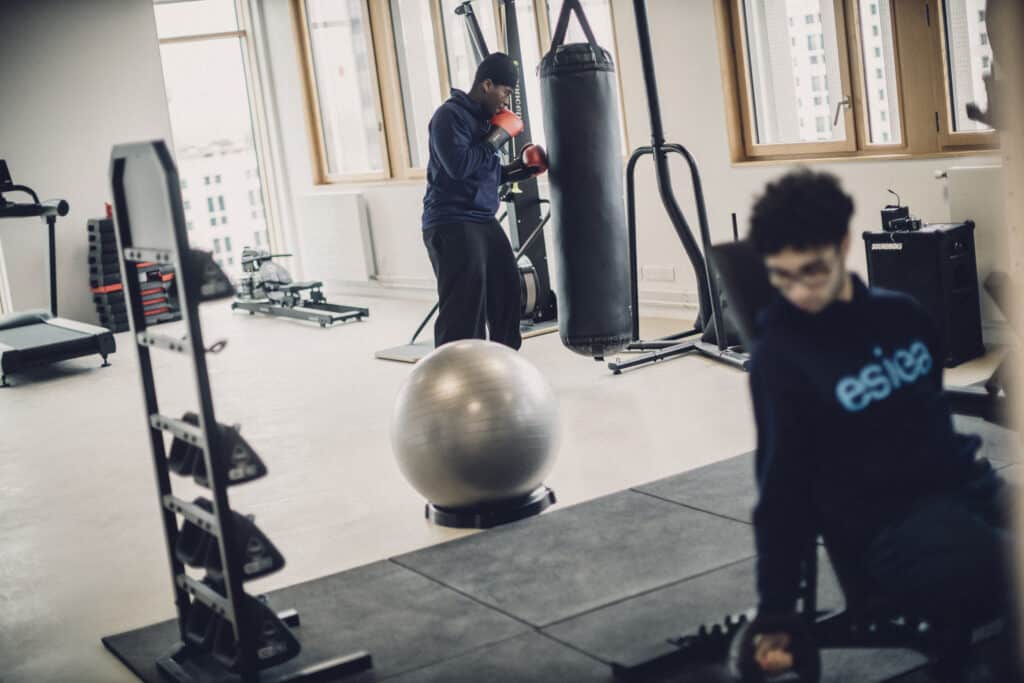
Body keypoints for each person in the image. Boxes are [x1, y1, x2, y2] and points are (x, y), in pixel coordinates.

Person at [744, 169, 1020, 680]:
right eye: (782, 276)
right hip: (889, 530)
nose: (799, 292)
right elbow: (780, 489)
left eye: (812, 270)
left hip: (968, 488)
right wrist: (777, 613)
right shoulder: (780, 357)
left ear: (843, 244)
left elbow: (933, 420)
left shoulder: (904, 317)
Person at [420, 52, 548, 349]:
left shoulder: (484, 121)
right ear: (487, 85)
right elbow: (459, 166)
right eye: (505, 92)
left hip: (482, 220)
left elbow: (484, 174)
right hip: (451, 221)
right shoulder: (449, 116)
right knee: (465, 309)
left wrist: (521, 169)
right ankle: (457, 371)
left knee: (507, 290)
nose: (506, 101)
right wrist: (498, 135)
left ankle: (504, 362)